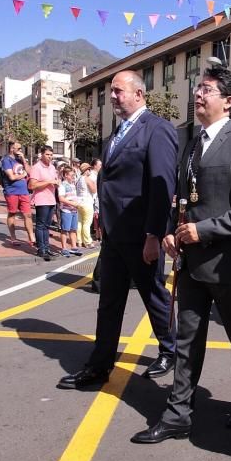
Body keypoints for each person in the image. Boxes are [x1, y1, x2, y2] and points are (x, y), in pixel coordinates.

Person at [131, 65, 231, 443]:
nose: (198, 94)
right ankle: (178, 414)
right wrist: (175, 233)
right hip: (191, 262)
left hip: (228, 265)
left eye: (206, 89)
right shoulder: (191, 144)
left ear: (228, 101)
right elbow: (187, 201)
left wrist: (204, 230)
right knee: (188, 339)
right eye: (198, 88)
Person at [58, 70, 178, 390]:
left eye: (117, 91)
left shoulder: (158, 129)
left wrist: (155, 234)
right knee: (109, 301)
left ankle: (171, 349)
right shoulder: (114, 136)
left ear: (138, 94)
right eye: (111, 91)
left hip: (141, 236)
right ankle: (99, 367)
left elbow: (162, 186)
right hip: (113, 235)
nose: (111, 97)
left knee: (154, 296)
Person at [0, 141, 36, 248]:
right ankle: (13, 237)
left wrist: (24, 160)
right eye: (18, 148)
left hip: (23, 191)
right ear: (12, 149)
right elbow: (11, 177)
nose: (21, 150)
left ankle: (31, 237)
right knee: (12, 213)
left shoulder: (20, 160)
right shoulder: (6, 160)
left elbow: (30, 172)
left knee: (27, 214)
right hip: (12, 191)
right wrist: (23, 175)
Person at [27, 147, 59, 261]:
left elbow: (54, 181)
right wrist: (49, 182)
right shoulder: (36, 167)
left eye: (51, 154)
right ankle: (41, 249)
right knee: (41, 225)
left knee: (47, 225)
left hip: (51, 199)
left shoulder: (52, 167)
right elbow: (32, 186)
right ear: (42, 154)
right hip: (41, 200)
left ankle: (46, 247)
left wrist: (56, 183)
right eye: (47, 154)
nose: (49, 157)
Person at [57, 165, 83, 256]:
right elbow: (61, 199)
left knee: (73, 229)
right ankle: (64, 248)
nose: (73, 177)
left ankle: (74, 247)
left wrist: (78, 202)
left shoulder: (72, 184)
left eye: (73, 175)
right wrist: (73, 204)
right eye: (71, 175)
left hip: (74, 210)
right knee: (65, 230)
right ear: (65, 175)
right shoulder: (62, 185)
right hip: (66, 211)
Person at [76, 160, 97, 248]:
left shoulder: (79, 179)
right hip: (87, 202)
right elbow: (94, 190)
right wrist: (94, 183)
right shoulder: (87, 179)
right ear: (86, 170)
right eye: (89, 169)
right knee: (87, 223)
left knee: (79, 222)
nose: (90, 171)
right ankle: (87, 241)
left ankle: (79, 241)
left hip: (79, 202)